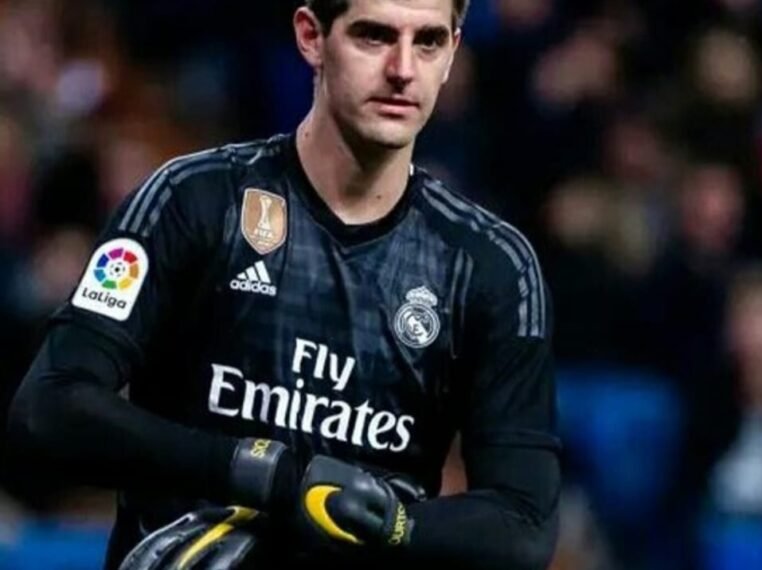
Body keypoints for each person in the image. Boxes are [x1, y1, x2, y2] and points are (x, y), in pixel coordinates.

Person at [6, 0, 561, 568]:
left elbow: (525, 525)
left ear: (453, 52)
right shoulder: (194, 201)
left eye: (428, 41)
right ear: (311, 37)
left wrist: (390, 524)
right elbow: (47, 408)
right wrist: (257, 471)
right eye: (373, 36)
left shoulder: (488, 265)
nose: (402, 69)